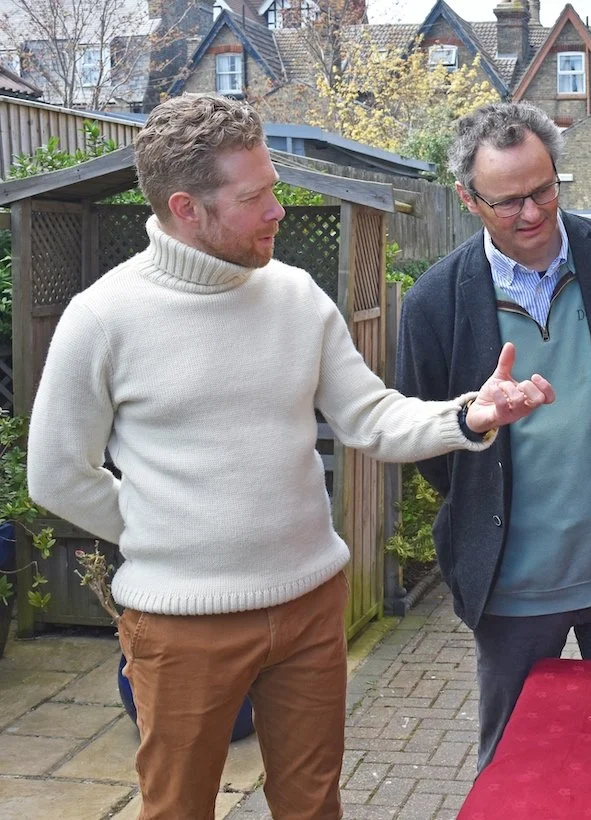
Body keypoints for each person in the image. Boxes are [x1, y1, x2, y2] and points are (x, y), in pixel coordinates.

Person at [26, 95, 553, 819]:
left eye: (273, 187)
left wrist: (468, 416)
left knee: (312, 806)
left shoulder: (296, 296)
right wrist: (163, 534)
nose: (277, 209)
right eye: (255, 197)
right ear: (186, 208)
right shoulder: (103, 317)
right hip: (182, 625)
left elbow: (370, 416)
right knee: (177, 809)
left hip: (309, 607)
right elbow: (56, 474)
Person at [397, 102, 591, 772]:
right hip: (512, 588)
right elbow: (431, 441)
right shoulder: (434, 304)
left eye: (544, 190)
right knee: (515, 769)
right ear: (469, 199)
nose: (531, 213)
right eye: (508, 202)